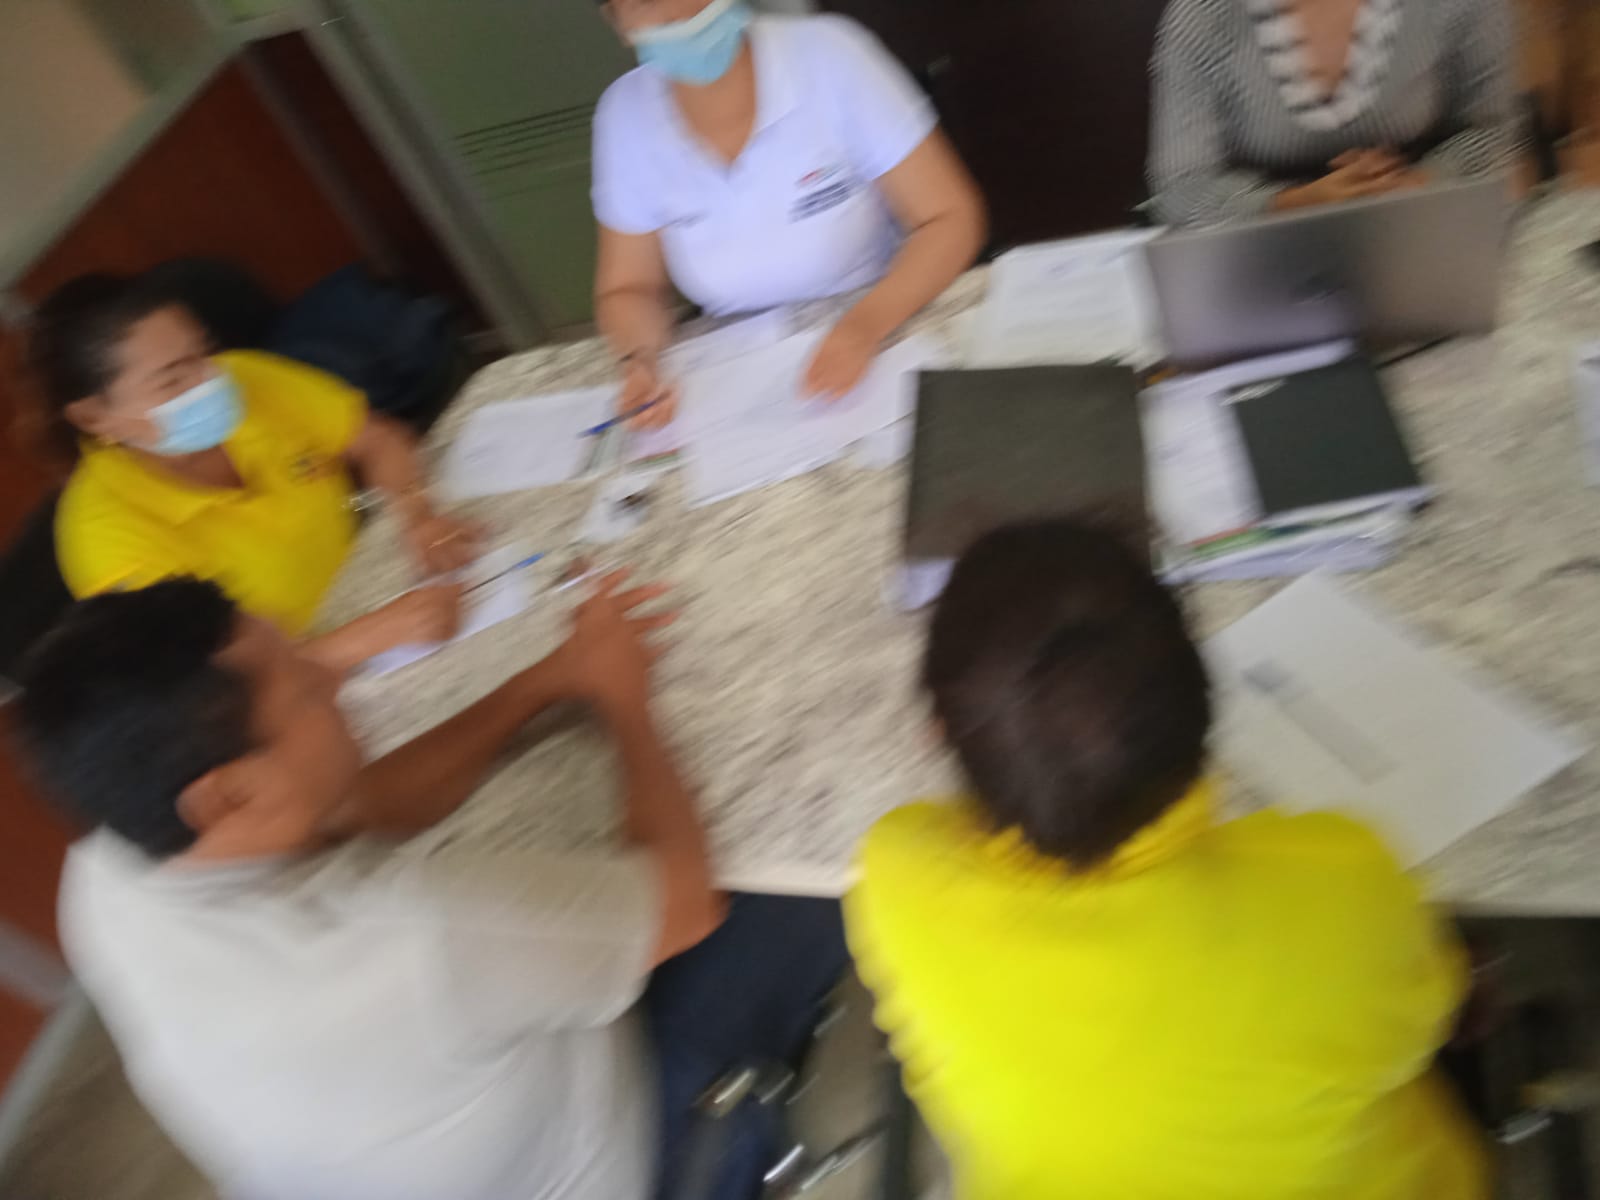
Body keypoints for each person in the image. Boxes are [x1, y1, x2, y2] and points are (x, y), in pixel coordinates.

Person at [13, 576, 848, 1200]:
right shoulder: (412, 931)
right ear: (226, 794)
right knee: (805, 868)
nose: (334, 678)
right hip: (625, 1164)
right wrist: (625, 706)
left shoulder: (108, 869)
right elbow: (682, 904)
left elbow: (361, 805)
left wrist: (555, 676)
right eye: (303, 689)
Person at [845, 520, 1489, 1198]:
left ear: (937, 733)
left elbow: (934, 828)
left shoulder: (897, 874)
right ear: (1205, 710)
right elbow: (1425, 1014)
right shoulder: (1343, 879)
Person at [28, 272, 480, 670]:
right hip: (313, 690)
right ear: (94, 418)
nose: (209, 379)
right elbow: (214, 683)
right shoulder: (107, 538)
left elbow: (377, 439)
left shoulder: (244, 378)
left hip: (382, 586)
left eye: (203, 353)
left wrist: (417, 513)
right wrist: (363, 640)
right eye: (172, 379)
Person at [591, 0, 985, 425]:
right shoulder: (624, 115)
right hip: (738, 380)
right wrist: (640, 360)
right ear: (617, 23)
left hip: (882, 332)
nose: (678, 9)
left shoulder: (829, 54)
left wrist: (863, 327)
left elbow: (949, 217)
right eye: (645, 1)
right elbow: (630, 287)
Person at [1148, 0, 1521, 227]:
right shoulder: (1202, 17)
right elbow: (1181, 188)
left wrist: (1419, 183)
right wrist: (1295, 204)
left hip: (1426, 231)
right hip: (1263, 259)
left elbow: (1495, 132)